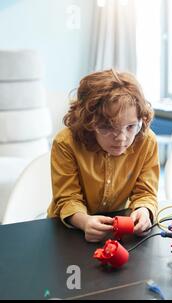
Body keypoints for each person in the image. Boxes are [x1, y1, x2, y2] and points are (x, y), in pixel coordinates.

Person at [47, 69, 159, 242]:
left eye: (130, 126)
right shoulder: (66, 143)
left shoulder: (146, 141)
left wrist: (144, 211)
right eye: (107, 127)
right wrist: (84, 222)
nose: (122, 138)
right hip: (67, 231)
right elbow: (68, 198)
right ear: (88, 123)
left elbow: (145, 192)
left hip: (114, 233)